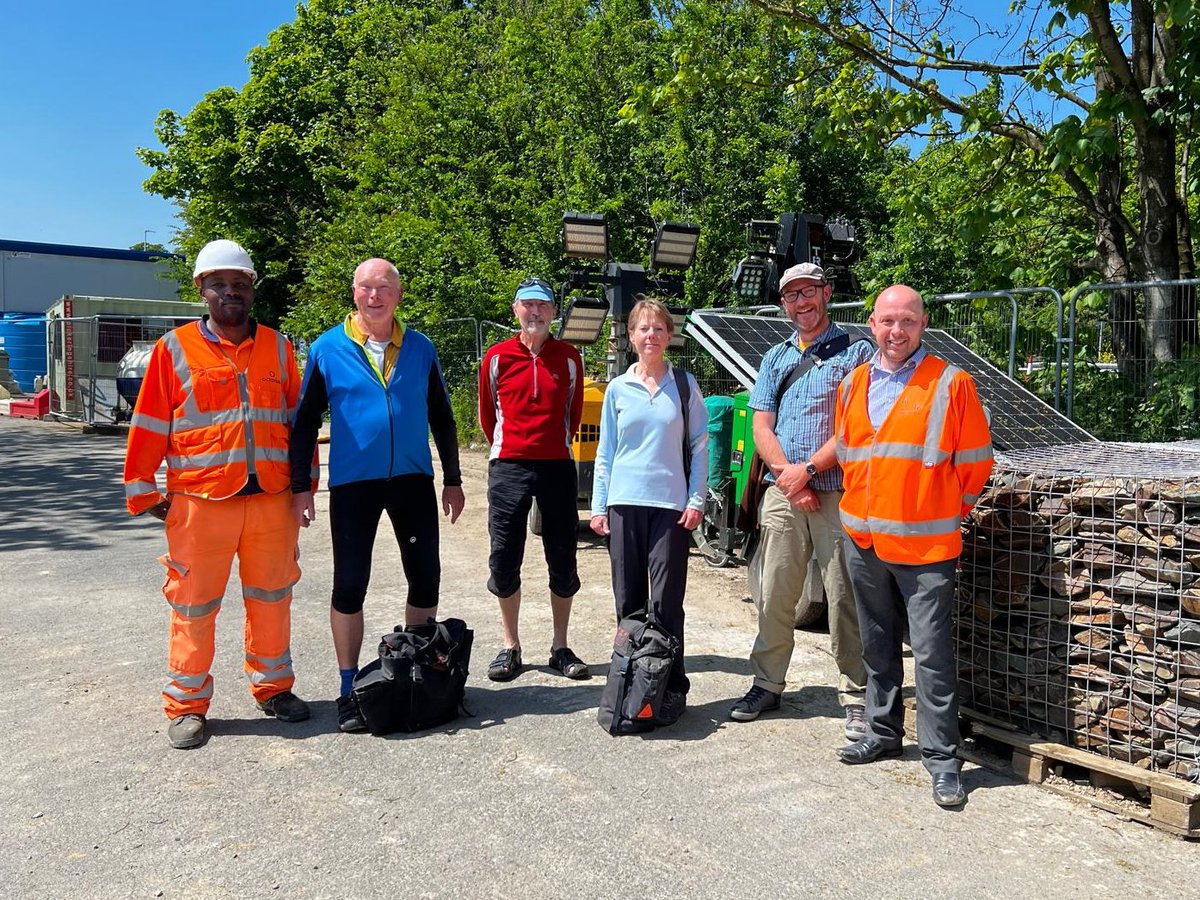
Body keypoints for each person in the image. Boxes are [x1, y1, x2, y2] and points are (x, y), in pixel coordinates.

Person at [124, 239, 311, 750]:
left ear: (252, 289)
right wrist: (145, 492)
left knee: (273, 598)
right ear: (202, 289)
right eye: (219, 284)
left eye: (240, 283)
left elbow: (298, 423)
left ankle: (274, 688)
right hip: (200, 504)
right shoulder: (174, 349)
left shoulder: (279, 347)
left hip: (271, 500)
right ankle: (187, 704)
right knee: (194, 605)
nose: (231, 292)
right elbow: (149, 423)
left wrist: (303, 487)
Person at [833, 284, 993, 808]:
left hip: (925, 549)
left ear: (923, 325)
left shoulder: (952, 384)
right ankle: (882, 733)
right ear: (871, 324)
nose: (896, 331)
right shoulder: (854, 382)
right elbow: (854, 454)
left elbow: (974, 468)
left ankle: (943, 760)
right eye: (887, 321)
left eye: (907, 321)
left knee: (931, 654)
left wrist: (941, 509)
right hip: (864, 539)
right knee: (877, 644)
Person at [289, 258, 464, 734]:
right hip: (353, 483)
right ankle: (348, 686)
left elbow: (442, 418)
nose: (374, 296)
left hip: (411, 480)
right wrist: (300, 487)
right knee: (350, 584)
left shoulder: (421, 348)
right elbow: (304, 421)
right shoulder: (328, 348)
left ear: (398, 294)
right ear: (354, 293)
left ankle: (418, 671)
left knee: (425, 578)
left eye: (384, 287)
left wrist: (453, 477)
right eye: (366, 287)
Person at [729, 262, 875, 740]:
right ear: (784, 303)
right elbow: (760, 426)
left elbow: (858, 426)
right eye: (792, 295)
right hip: (784, 493)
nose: (801, 302)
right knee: (774, 593)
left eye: (809, 292)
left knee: (843, 596)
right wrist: (789, 478)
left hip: (837, 493)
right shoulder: (775, 357)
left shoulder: (857, 352)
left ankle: (855, 694)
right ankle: (767, 683)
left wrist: (809, 471)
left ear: (826, 293)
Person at [590, 298, 709, 724]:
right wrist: (598, 505)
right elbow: (605, 452)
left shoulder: (684, 385)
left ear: (669, 336)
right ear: (631, 337)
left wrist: (696, 499)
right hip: (624, 504)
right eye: (643, 329)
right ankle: (629, 680)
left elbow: (699, 446)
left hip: (670, 508)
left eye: (658, 329)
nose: (651, 336)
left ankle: (671, 687)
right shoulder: (618, 389)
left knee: (667, 601)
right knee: (629, 600)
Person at [478, 277, 587, 682]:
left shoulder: (570, 357)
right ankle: (511, 646)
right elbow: (489, 416)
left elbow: (573, 414)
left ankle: (560, 646)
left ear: (554, 313)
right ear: (516, 310)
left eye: (543, 306)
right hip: (508, 465)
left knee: (562, 557)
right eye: (528, 305)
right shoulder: (496, 357)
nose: (535, 312)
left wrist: (553, 446)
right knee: (505, 556)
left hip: (557, 464)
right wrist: (512, 449)